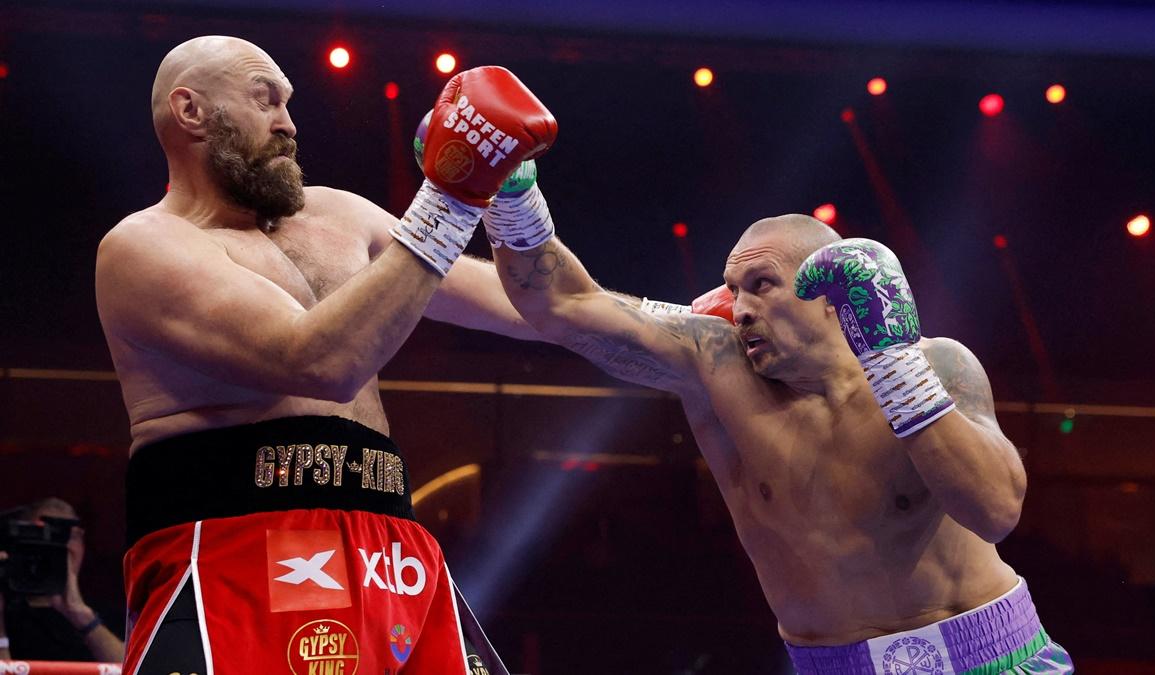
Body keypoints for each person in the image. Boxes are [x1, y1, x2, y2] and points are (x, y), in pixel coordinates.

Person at [482, 169, 1074, 671]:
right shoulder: (715, 363)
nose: (739, 309)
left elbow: (995, 511)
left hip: (992, 657)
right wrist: (509, 197)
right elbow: (566, 305)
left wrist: (893, 366)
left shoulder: (937, 363)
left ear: (828, 291)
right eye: (733, 290)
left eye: (762, 285)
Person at [94, 35, 555, 673]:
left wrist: (692, 318)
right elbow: (317, 362)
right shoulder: (144, 245)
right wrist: (451, 196)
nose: (288, 123)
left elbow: (538, 308)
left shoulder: (342, 215)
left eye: (288, 104)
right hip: (237, 548)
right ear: (190, 111)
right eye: (265, 101)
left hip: (394, 549)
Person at [0, 498, 125, 663]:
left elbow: (136, 668)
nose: (61, 547)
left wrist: (82, 617)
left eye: (70, 536)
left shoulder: (109, 616)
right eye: (46, 536)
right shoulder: (6, 613)